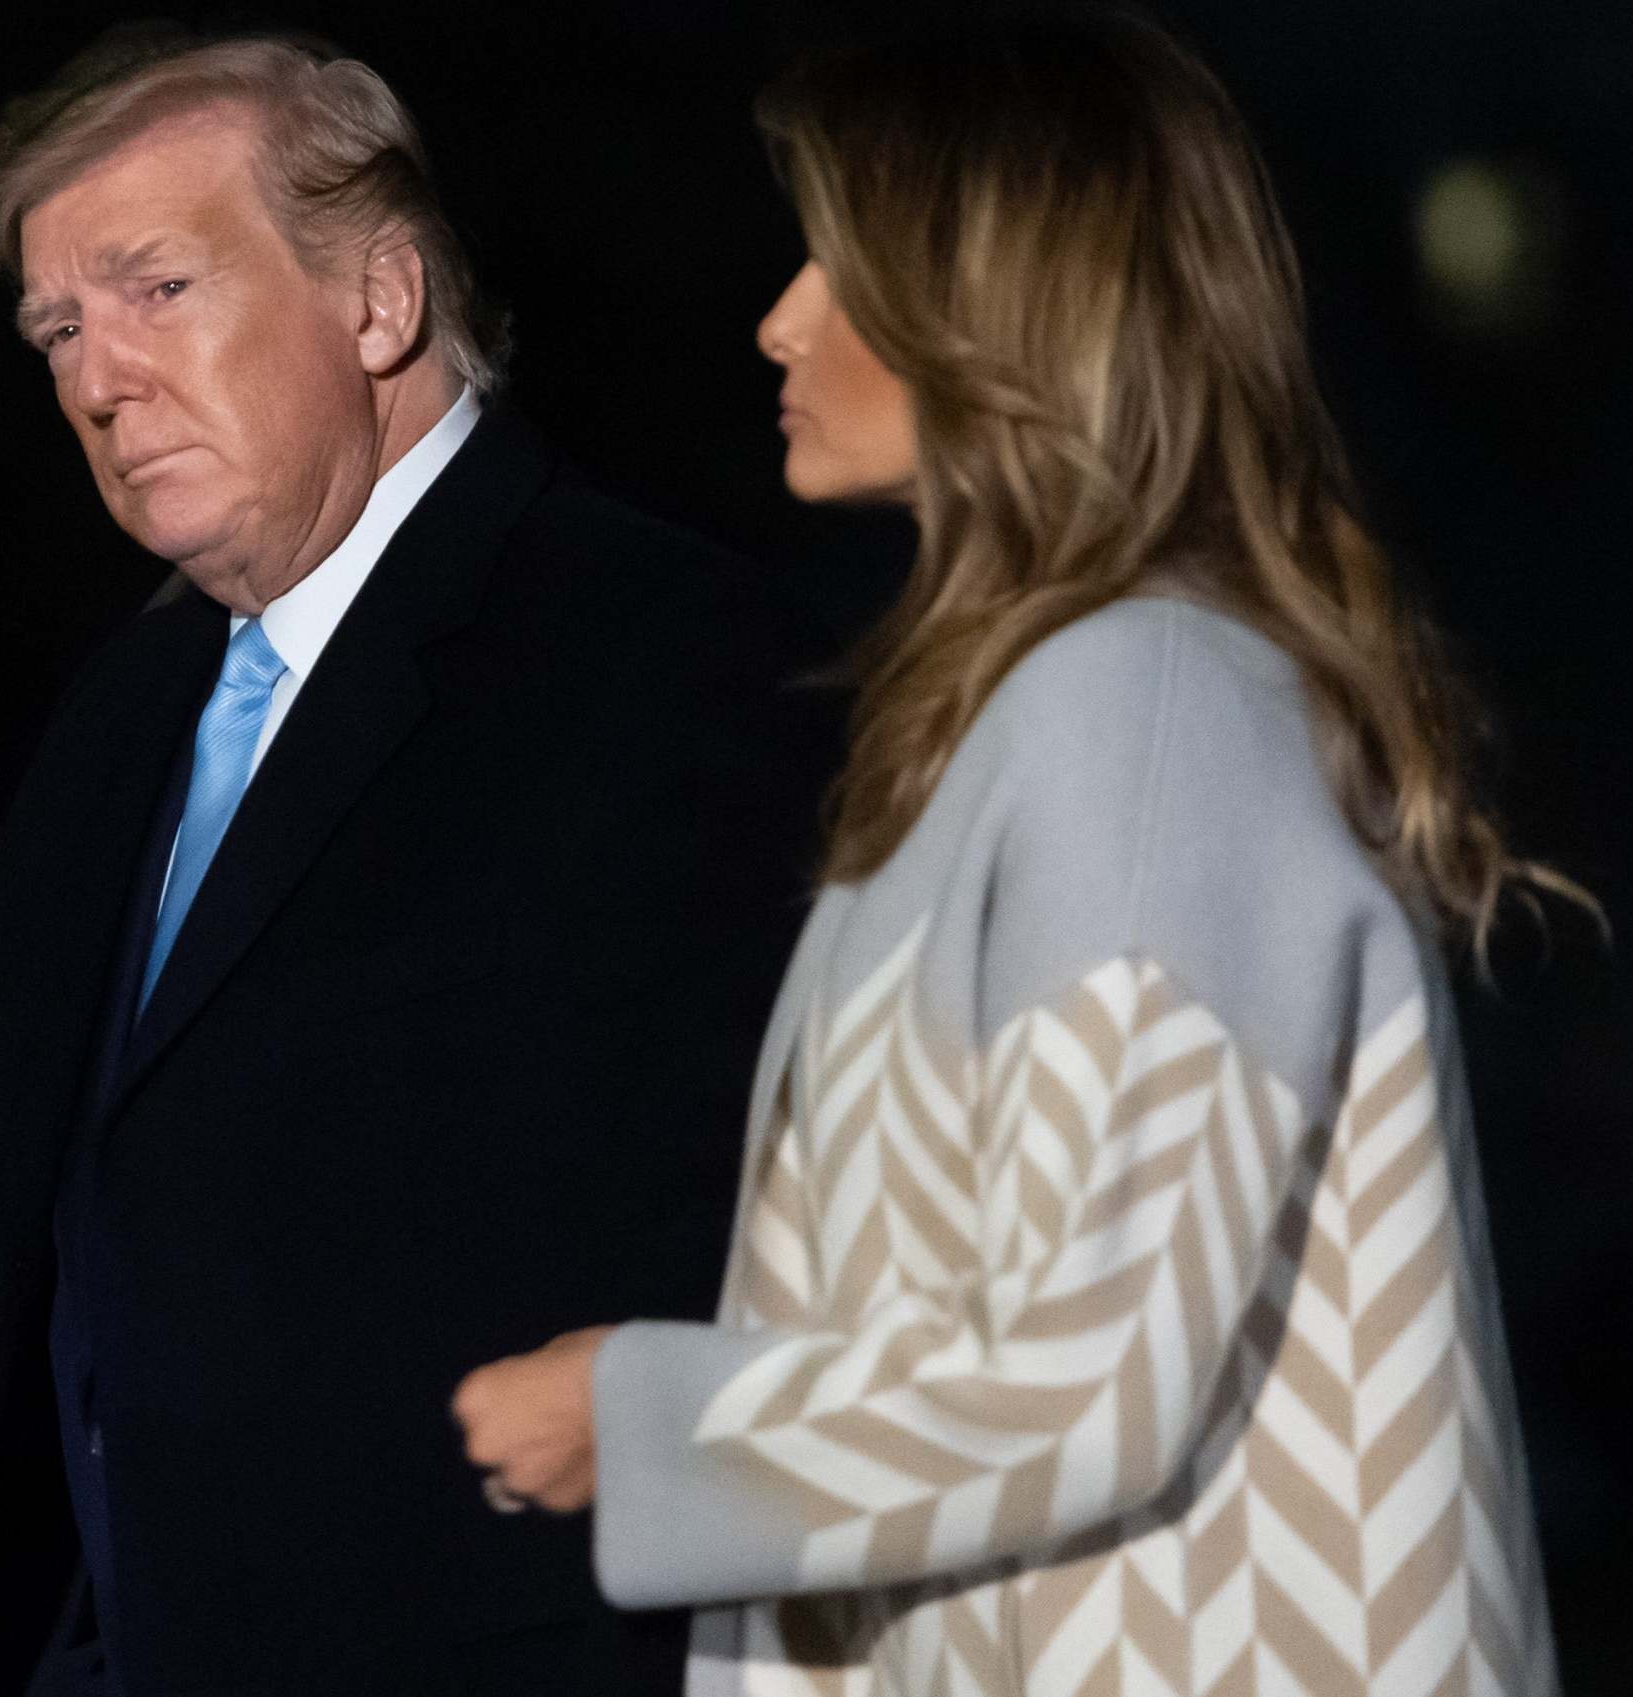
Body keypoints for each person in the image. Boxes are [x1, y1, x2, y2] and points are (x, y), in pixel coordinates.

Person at [0, 27, 836, 1697]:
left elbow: (799, 1215)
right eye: (56, 327)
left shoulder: (674, 654)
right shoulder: (150, 691)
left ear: (377, 301)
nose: (95, 378)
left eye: (155, 290)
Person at [452, 9, 1578, 1692]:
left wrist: (635, 1414)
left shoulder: (1139, 706)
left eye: (837, 261)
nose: (775, 321)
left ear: (988, 303)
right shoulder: (1069, 707)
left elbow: (1092, 1358)